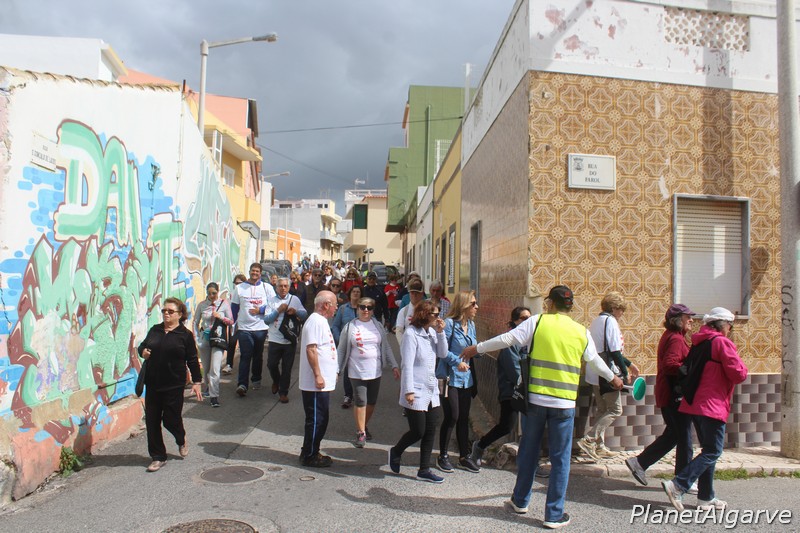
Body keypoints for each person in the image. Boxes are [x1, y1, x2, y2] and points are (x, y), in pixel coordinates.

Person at [461, 285, 623, 529]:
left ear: (550, 303)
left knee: (528, 451)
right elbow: (596, 362)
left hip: (535, 402)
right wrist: (613, 377)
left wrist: (477, 348)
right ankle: (553, 515)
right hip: (564, 405)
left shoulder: (537, 322)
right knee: (560, 459)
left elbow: (507, 339)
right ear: (570, 306)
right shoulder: (580, 331)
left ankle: (520, 501)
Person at [662, 307, 748, 513]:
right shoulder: (721, 342)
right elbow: (738, 373)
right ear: (722, 325)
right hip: (712, 404)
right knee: (713, 450)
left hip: (695, 403)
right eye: (730, 325)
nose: (730, 329)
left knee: (708, 450)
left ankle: (705, 497)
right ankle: (678, 485)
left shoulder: (699, 341)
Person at [625, 304, 695, 488]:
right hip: (674, 395)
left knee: (674, 435)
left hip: (668, 393)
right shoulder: (676, 339)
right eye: (687, 317)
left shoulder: (673, 336)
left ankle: (640, 463)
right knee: (684, 437)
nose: (691, 320)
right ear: (677, 320)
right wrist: (691, 369)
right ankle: (682, 480)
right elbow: (670, 364)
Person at [137, 297, 202, 472]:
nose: (166, 313)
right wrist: (143, 352)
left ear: (180, 314)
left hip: (174, 384)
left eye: (170, 311)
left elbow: (192, 359)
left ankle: (180, 438)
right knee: (152, 421)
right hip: (153, 383)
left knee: (171, 420)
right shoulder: (155, 330)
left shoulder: (185, 335)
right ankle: (158, 456)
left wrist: (197, 381)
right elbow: (142, 346)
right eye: (164, 310)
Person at [388, 300, 448, 483]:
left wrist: (441, 333)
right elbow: (406, 364)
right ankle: (396, 451)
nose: (438, 318)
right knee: (418, 431)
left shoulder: (432, 333)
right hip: (416, 389)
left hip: (431, 388)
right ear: (424, 314)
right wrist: (408, 390)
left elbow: (443, 354)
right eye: (435, 314)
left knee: (430, 430)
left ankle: (424, 470)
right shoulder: (411, 334)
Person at [577, 292, 639, 460]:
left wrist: (629, 364)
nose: (622, 313)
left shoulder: (597, 321)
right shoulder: (610, 321)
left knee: (603, 409)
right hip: (606, 373)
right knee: (615, 409)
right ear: (614, 308)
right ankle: (589, 439)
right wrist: (624, 372)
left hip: (594, 371)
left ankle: (599, 446)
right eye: (621, 309)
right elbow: (614, 351)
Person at [469, 306, 532, 467]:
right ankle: (480, 445)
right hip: (511, 392)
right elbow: (514, 371)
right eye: (523, 318)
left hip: (527, 391)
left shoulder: (529, 340)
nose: (527, 321)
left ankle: (530, 461)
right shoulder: (510, 342)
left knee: (531, 426)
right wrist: (527, 386)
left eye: (529, 318)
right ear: (515, 321)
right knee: (506, 426)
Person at [337, 297, 400, 447]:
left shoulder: (378, 326)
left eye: (369, 307)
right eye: (363, 307)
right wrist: (337, 370)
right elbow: (341, 350)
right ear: (358, 309)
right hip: (356, 370)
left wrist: (394, 365)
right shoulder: (350, 327)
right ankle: (360, 432)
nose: (366, 310)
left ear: (373, 310)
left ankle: (363, 425)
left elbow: (386, 347)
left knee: (371, 402)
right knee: (361, 401)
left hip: (375, 371)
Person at [437, 290, 481, 474]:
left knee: (463, 417)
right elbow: (442, 351)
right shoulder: (449, 324)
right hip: (450, 377)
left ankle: (464, 456)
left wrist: (480, 350)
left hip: (466, 379)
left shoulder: (471, 325)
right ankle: (443, 455)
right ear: (463, 305)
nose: (476, 307)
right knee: (452, 416)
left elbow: (473, 348)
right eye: (473, 303)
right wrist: (457, 362)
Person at [298, 291, 340, 467]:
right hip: (315, 384)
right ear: (326, 305)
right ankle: (309, 455)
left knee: (321, 419)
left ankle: (311, 450)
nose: (336, 308)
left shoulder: (321, 321)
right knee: (316, 420)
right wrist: (318, 375)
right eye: (335, 304)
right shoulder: (315, 321)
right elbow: (311, 349)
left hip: (321, 383)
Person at [231, 263, 276, 397]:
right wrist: (232, 325)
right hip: (244, 328)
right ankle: (242, 384)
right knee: (245, 355)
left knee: (257, 355)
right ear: (249, 271)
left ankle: (256, 379)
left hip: (261, 328)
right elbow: (234, 308)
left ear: (260, 273)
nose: (254, 273)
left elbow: (274, 305)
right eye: (252, 271)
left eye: (257, 271)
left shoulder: (267, 287)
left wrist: (260, 310)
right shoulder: (240, 288)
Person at [263, 277, 308, 403]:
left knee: (287, 368)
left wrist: (295, 312)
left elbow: (304, 314)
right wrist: (278, 310)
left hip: (289, 339)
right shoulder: (271, 301)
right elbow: (266, 320)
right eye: (280, 286)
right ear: (276, 287)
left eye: (285, 286)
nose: (283, 288)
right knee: (271, 364)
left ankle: (283, 392)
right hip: (274, 338)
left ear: (289, 287)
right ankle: (276, 381)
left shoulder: (294, 299)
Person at [192, 282, 234, 408]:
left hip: (217, 339)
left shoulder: (224, 304)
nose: (211, 296)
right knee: (206, 368)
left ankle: (214, 396)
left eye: (214, 293)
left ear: (218, 292)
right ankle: (208, 386)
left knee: (215, 368)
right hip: (204, 339)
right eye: (209, 293)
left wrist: (220, 317)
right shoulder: (202, 305)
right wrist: (196, 338)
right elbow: (195, 322)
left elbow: (231, 321)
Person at [332, 285, 363, 408]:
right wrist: (340, 339)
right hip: (347, 344)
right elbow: (335, 325)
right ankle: (348, 395)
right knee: (347, 369)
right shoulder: (343, 309)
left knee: (361, 369)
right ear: (349, 294)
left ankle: (360, 393)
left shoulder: (365, 308)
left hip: (360, 345)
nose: (355, 293)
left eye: (358, 292)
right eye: (353, 291)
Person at [222, 274, 247, 375]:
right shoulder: (232, 294)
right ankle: (229, 364)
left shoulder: (246, 293)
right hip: (234, 323)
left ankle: (244, 365)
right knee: (232, 343)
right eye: (236, 283)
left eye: (239, 283)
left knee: (244, 346)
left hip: (244, 323)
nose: (237, 285)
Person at [395, 278, 425, 345]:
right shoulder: (404, 311)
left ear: (422, 294)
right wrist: (404, 346)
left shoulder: (428, 310)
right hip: (409, 346)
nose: (414, 295)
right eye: (412, 292)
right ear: (409, 293)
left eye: (417, 293)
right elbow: (399, 331)